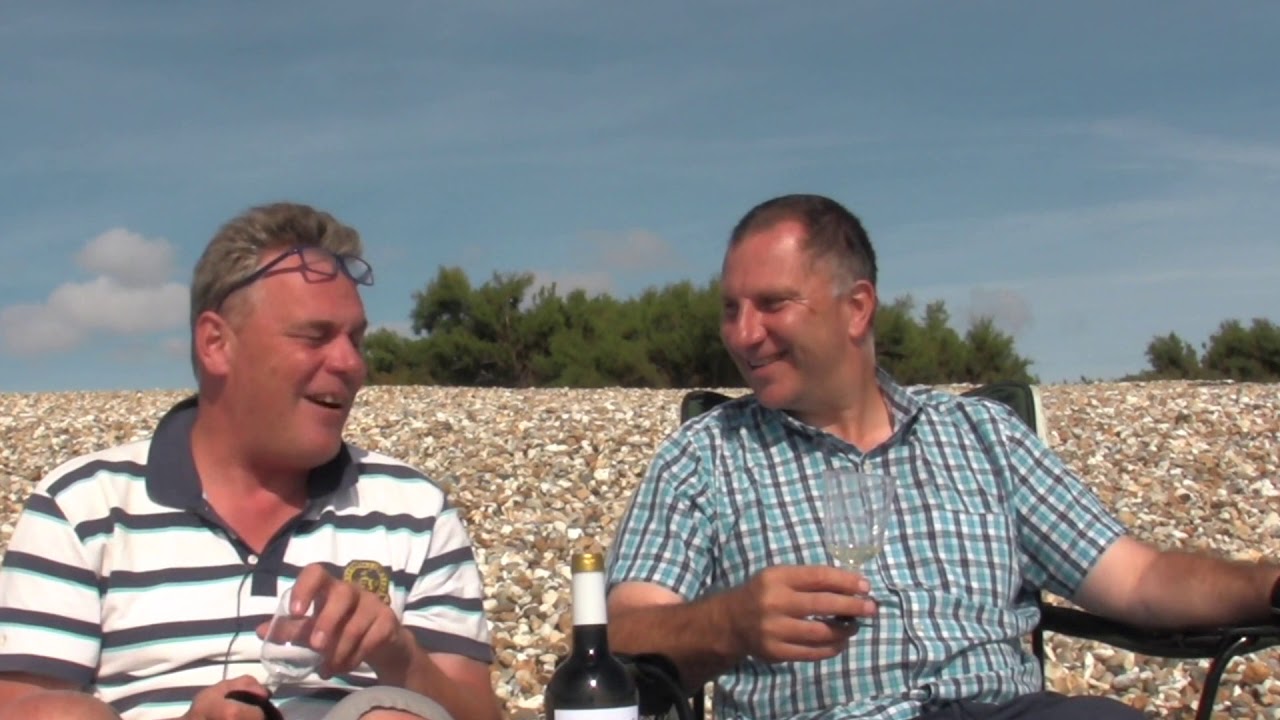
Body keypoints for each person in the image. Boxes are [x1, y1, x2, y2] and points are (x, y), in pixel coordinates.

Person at [604, 193, 1280, 720]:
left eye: (772, 305)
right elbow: (619, 633)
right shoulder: (707, 455)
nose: (743, 334)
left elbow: (1140, 580)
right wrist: (729, 623)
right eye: (730, 310)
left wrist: (1267, 587)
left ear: (857, 308)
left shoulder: (982, 436)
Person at [0, 203, 503, 720]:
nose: (351, 363)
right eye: (315, 336)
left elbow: (480, 714)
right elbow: (22, 709)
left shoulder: (414, 509)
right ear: (216, 343)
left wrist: (398, 654)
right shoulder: (85, 506)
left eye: (356, 339)